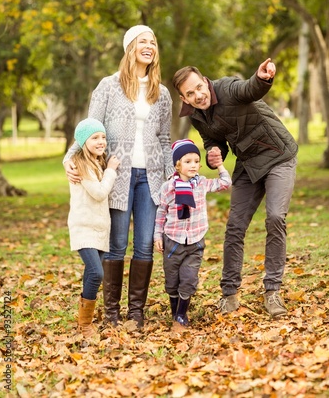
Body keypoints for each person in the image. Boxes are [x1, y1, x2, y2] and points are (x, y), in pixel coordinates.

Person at [64, 25, 174, 329]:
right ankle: (111, 312)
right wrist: (69, 158)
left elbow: (165, 140)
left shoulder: (161, 93)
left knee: (144, 246)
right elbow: (90, 125)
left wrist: (170, 178)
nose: (149, 46)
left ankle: (135, 312)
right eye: (143, 41)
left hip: (150, 178)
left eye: (153, 42)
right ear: (130, 48)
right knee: (116, 245)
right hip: (117, 175)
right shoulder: (108, 86)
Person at [172, 59, 298, 318]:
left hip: (278, 155)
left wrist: (262, 78)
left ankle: (272, 291)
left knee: (275, 217)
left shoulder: (228, 88)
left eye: (199, 88)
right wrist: (213, 153)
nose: (198, 96)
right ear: (183, 97)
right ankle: (229, 294)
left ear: (205, 80)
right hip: (248, 163)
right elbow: (213, 141)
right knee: (235, 227)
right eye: (190, 94)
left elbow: (250, 89)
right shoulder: (196, 115)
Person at [154, 139, 232, 329]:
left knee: (189, 279)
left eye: (196, 161)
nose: (193, 165)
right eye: (188, 161)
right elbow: (161, 212)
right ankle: (174, 312)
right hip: (173, 240)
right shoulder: (168, 187)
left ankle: (181, 315)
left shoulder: (202, 183)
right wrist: (157, 236)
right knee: (172, 281)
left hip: (195, 240)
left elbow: (225, 182)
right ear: (177, 165)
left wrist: (219, 165)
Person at [68, 118, 120, 339]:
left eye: (103, 137)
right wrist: (111, 170)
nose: (101, 141)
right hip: (83, 227)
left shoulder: (97, 162)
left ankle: (83, 320)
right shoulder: (81, 166)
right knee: (97, 272)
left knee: (91, 272)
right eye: (95, 138)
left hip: (99, 228)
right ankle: (85, 325)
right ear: (83, 142)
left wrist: (106, 167)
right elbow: (99, 192)